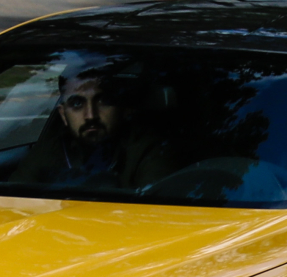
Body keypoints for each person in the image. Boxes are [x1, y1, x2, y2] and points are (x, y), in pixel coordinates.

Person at [11, 57, 169, 190]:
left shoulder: (147, 149)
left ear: (123, 108)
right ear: (63, 115)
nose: (90, 116)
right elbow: (13, 198)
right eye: (77, 104)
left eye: (103, 101)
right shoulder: (51, 148)